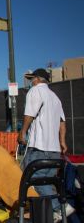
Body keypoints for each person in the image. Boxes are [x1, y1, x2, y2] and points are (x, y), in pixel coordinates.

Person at [19, 68, 73, 218]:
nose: (31, 82)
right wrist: (62, 142)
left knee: (34, 179)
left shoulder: (35, 91)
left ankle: (59, 207)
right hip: (54, 149)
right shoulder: (55, 97)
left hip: (39, 147)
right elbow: (62, 122)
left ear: (37, 79)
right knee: (48, 182)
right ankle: (50, 213)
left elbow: (29, 114)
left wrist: (22, 132)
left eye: (32, 79)